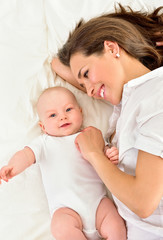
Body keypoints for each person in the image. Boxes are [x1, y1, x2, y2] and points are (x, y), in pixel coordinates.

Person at [51, 4, 163, 240]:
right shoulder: (131, 99)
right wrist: (139, 39)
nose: (89, 92)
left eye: (86, 75)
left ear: (111, 47)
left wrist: (95, 155)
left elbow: (144, 202)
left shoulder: (156, 96)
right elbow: (58, 65)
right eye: (83, 87)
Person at [0, 86, 126, 240]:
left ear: (80, 112)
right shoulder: (44, 143)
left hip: (98, 203)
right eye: (53, 115)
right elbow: (26, 155)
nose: (62, 117)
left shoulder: (89, 136)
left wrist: (110, 154)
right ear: (43, 126)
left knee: (115, 223)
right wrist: (13, 167)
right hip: (66, 209)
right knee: (59, 227)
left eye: (68, 110)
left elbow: (103, 152)